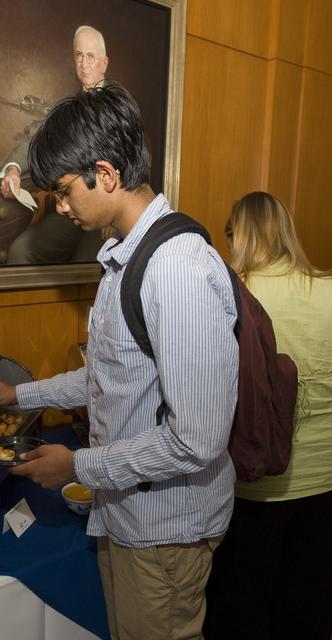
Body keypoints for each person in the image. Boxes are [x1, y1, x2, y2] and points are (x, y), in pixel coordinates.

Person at [0, 84, 239, 640]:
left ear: (105, 174)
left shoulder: (175, 269)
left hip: (166, 531)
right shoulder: (127, 256)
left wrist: (79, 466)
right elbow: (110, 375)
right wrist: (16, 394)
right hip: (129, 515)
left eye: (64, 192)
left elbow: (197, 439)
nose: (60, 207)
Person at [203, 191, 332, 640]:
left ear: (238, 236)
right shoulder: (328, 291)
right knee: (306, 609)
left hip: (250, 483)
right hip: (324, 483)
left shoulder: (231, 297)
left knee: (239, 610)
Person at [0, 25, 109, 264]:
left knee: (87, 266)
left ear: (104, 63)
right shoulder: (68, 104)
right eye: (79, 55)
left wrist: (116, 216)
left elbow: (133, 164)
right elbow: (38, 141)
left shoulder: (119, 104)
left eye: (91, 56)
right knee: (19, 251)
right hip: (70, 210)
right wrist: (13, 169)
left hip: (106, 216)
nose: (84, 63)